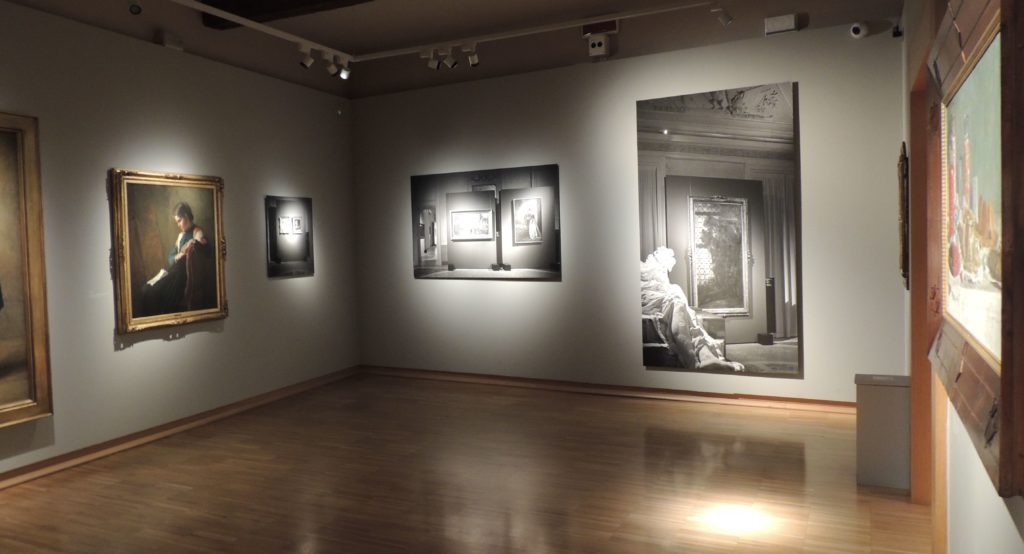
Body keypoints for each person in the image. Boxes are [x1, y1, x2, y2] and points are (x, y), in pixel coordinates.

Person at [641, 247, 743, 371]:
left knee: (683, 306)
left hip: (659, 295)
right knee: (676, 302)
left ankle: (705, 356)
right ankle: (695, 362)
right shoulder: (643, 270)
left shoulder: (668, 286)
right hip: (646, 297)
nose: (665, 270)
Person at [139, 202, 214, 316]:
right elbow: (170, 257)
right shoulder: (180, 236)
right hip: (174, 272)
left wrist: (193, 244)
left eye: (179, 221)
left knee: (152, 292)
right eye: (177, 222)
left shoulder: (197, 231)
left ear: (186, 216)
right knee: (146, 289)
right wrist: (178, 255)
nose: (178, 225)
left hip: (182, 277)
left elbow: (206, 250)